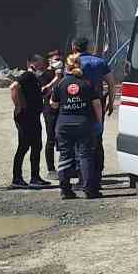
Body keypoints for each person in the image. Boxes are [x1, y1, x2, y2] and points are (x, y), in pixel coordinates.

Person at [52, 54, 103, 199]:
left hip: (64, 124)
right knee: (85, 156)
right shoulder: (86, 83)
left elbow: (53, 104)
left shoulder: (61, 83)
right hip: (84, 124)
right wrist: (98, 122)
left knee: (65, 156)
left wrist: (65, 104)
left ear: (66, 67)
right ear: (80, 65)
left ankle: (65, 190)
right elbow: (97, 104)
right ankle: (89, 190)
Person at [74, 37, 113, 184]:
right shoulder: (100, 62)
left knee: (80, 141)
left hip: (78, 106)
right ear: (89, 47)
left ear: (74, 47)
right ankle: (98, 174)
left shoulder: (72, 63)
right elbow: (111, 83)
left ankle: (82, 177)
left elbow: (67, 84)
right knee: (97, 138)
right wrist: (110, 103)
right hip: (98, 105)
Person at [10, 54, 51, 188]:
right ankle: (17, 178)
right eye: (39, 64)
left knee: (37, 146)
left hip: (34, 117)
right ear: (30, 63)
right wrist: (18, 106)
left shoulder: (34, 78)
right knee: (23, 147)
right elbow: (14, 87)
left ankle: (35, 177)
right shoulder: (27, 75)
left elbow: (34, 93)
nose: (41, 66)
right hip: (26, 117)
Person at [40, 49, 63, 176]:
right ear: (49, 61)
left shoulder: (64, 73)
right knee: (51, 139)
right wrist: (56, 78)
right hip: (50, 111)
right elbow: (45, 92)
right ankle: (51, 169)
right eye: (57, 60)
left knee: (64, 139)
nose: (60, 62)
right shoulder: (45, 75)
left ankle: (66, 167)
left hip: (63, 109)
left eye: (61, 59)